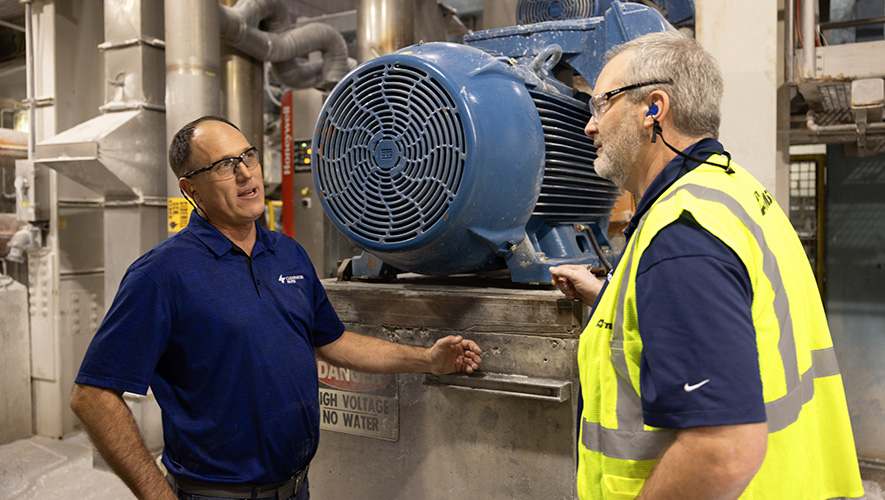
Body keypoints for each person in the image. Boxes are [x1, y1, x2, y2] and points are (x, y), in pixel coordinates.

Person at [70, 115, 483, 500]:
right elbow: (92, 396)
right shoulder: (162, 273)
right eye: (224, 165)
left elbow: (334, 342)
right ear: (190, 188)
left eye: (248, 156)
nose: (246, 173)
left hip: (295, 487)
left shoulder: (287, 254)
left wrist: (427, 359)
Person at [549, 31, 864, 500]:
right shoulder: (737, 192)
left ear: (653, 108)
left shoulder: (682, 234)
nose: (589, 126)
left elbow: (722, 451)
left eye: (601, 104)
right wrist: (605, 295)